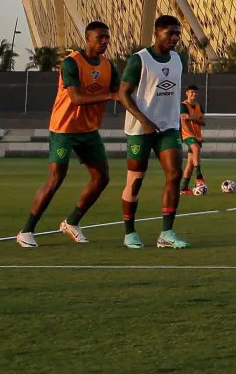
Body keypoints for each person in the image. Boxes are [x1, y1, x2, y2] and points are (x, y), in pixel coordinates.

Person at [16, 21, 117, 248]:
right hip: (64, 129)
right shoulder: (72, 63)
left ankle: (72, 222)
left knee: (102, 177)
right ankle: (26, 230)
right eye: (100, 37)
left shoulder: (108, 66)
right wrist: (110, 97)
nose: (105, 42)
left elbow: (121, 91)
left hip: (89, 130)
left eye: (107, 38)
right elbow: (77, 98)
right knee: (55, 179)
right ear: (88, 39)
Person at [117, 14, 188, 249]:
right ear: (157, 33)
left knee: (175, 174)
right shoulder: (140, 60)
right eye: (171, 33)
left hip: (168, 128)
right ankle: (130, 232)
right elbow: (123, 94)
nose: (175, 38)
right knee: (135, 180)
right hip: (140, 129)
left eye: (178, 33)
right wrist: (144, 120)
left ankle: (166, 233)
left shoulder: (177, 59)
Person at [179, 85, 206, 194]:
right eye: (191, 92)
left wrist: (192, 118)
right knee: (196, 148)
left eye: (195, 92)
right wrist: (192, 135)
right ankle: (199, 176)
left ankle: (184, 188)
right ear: (187, 93)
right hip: (187, 135)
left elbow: (203, 122)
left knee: (190, 162)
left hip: (197, 135)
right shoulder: (183, 105)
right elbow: (184, 121)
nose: (194, 94)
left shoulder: (199, 106)